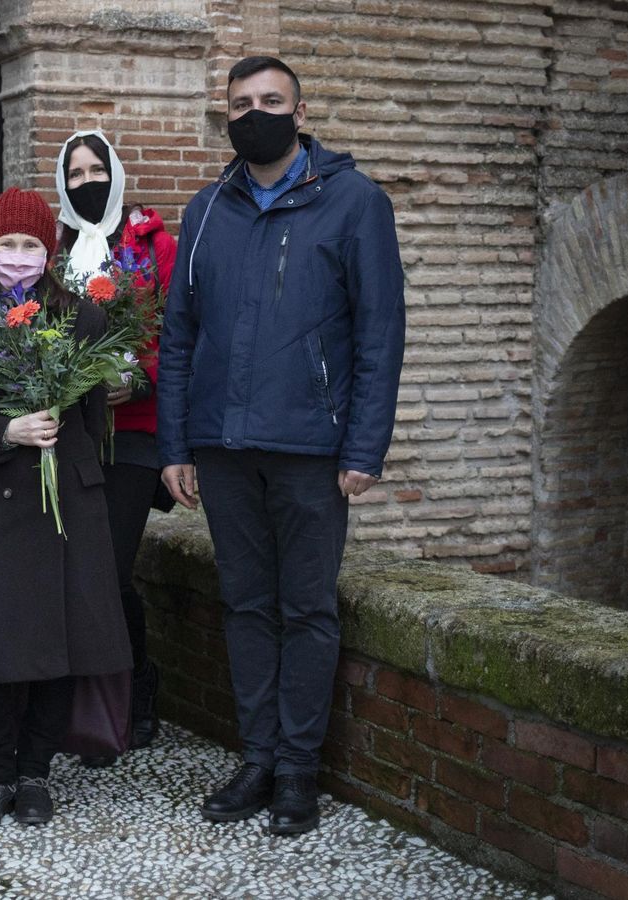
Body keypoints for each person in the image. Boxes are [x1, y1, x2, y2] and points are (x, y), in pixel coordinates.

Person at [156, 56, 406, 835]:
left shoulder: (354, 202)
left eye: (271, 101)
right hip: (223, 447)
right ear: (225, 117)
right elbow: (179, 335)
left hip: (309, 448)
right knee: (246, 605)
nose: (254, 112)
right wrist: (177, 443)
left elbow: (380, 332)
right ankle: (257, 756)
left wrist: (364, 447)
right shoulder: (206, 210)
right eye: (240, 103)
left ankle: (298, 770)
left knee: (306, 609)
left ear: (300, 113)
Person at [0, 187, 130, 830]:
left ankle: (36, 771)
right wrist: (4, 433)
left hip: (65, 500)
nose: (19, 256)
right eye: (7, 244)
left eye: (32, 244)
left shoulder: (82, 321)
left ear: (51, 250)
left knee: (58, 641)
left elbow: (95, 420)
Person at [54, 130, 180, 761]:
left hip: (134, 433)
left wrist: (139, 376)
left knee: (113, 567)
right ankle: (89, 701)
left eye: (95, 169)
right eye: (73, 174)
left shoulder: (154, 246)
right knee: (82, 571)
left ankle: (137, 688)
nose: (85, 182)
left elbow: (176, 333)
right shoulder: (56, 254)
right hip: (74, 438)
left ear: (117, 172)